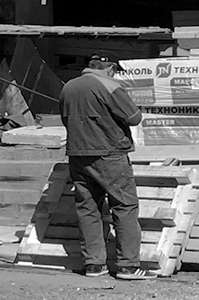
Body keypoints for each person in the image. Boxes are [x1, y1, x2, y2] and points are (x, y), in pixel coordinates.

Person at [60, 54, 145, 280]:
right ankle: (128, 266)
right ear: (110, 69)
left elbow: (65, 119)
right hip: (109, 154)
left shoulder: (68, 87)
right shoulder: (109, 86)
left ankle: (94, 265)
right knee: (124, 206)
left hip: (78, 155)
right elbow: (134, 117)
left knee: (88, 209)